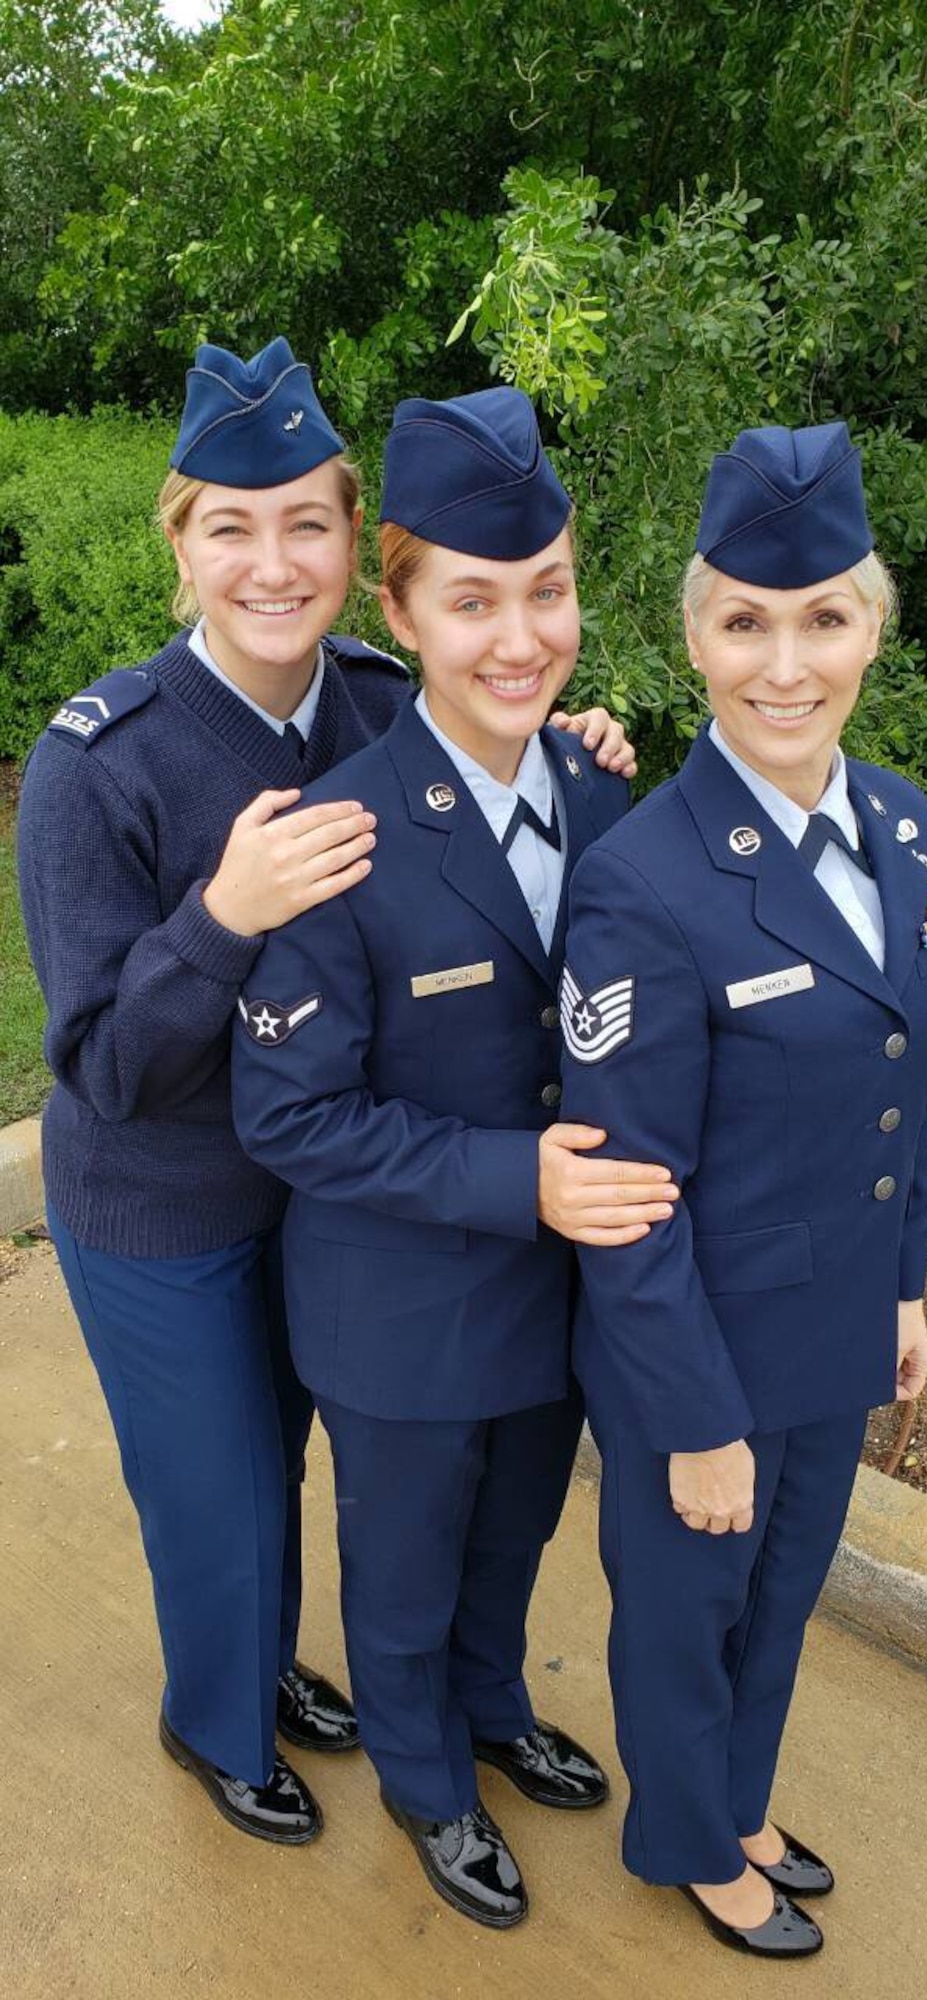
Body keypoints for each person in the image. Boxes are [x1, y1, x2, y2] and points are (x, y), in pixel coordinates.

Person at [16, 339, 634, 1848]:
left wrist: (564, 748)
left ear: (360, 547)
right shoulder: (101, 765)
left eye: (308, 520)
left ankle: (306, 1671)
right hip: (166, 1207)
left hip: (330, 1195)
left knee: (326, 1469)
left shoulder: (366, 701)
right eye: (232, 525)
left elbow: (471, 771)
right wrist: (222, 914)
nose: (273, 562)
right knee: (223, 1499)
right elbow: (99, 1064)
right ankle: (219, 1720)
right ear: (180, 542)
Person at [232, 387, 681, 1927]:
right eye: (474, 599)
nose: (519, 637)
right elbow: (287, 1114)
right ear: (401, 607)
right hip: (404, 1308)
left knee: (515, 1536)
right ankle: (428, 1781)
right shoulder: (338, 834)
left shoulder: (607, 789)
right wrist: (520, 1182)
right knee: (409, 1567)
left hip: (564, 1297)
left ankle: (493, 1708)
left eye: (545, 591)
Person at [560, 422, 927, 1958]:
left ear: (872, 627)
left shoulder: (907, 818)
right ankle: (685, 1838)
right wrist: (696, 1416)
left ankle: (737, 1796)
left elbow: (899, 1082)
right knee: (685, 1609)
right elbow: (627, 1186)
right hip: (702, 1343)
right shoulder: (646, 880)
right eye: (745, 621)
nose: (785, 665)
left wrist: (908, 1283)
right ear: (695, 636)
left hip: (836, 1313)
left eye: (824, 619)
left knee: (780, 1591)